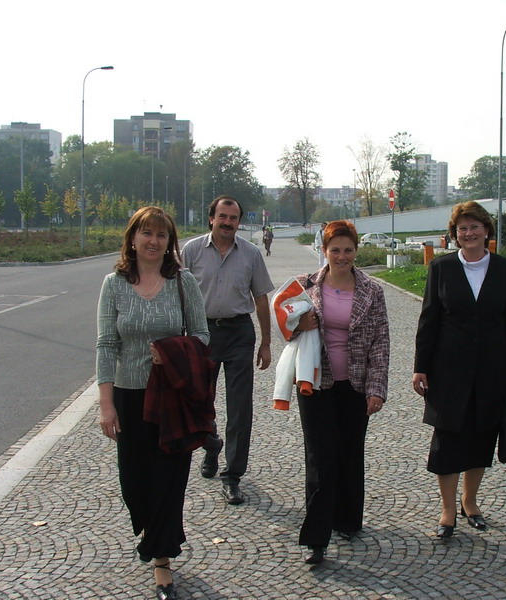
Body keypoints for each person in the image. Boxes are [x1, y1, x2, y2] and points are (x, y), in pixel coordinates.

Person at [97, 206, 210, 600]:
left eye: (161, 235)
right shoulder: (113, 284)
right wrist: (106, 404)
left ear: (169, 242)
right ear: (132, 238)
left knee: (168, 480)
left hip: (170, 398)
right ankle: (151, 531)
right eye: (146, 233)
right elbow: (106, 344)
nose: (153, 241)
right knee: (134, 482)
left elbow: (202, 335)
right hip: (128, 396)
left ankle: (162, 561)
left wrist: (173, 352)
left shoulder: (182, 281)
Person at [411, 201, 506, 540]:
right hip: (447, 370)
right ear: (455, 234)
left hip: (493, 369)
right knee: (447, 441)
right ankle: (448, 509)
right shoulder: (441, 268)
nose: (469, 233)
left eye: (475, 226)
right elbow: (429, 320)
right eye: (462, 228)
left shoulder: (505, 269)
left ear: (486, 229)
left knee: (481, 437)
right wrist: (421, 367)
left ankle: (470, 502)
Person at [288, 219, 390, 565]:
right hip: (315, 383)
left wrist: (376, 388)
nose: (342, 256)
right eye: (335, 250)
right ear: (324, 251)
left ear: (356, 251)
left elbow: (381, 342)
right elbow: (284, 324)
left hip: (356, 385)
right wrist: (297, 324)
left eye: (348, 250)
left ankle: (347, 519)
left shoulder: (372, 291)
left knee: (349, 451)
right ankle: (316, 537)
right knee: (319, 456)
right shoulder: (305, 285)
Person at [180, 196, 274, 505]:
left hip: (238, 334)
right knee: (198, 403)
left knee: (239, 408)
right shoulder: (192, 251)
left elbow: (261, 298)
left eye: (233, 218)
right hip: (201, 334)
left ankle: (232, 476)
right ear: (211, 218)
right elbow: (176, 294)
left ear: (239, 222)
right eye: (222, 216)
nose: (227, 222)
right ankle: (210, 444)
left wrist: (266, 342)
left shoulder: (250, 253)